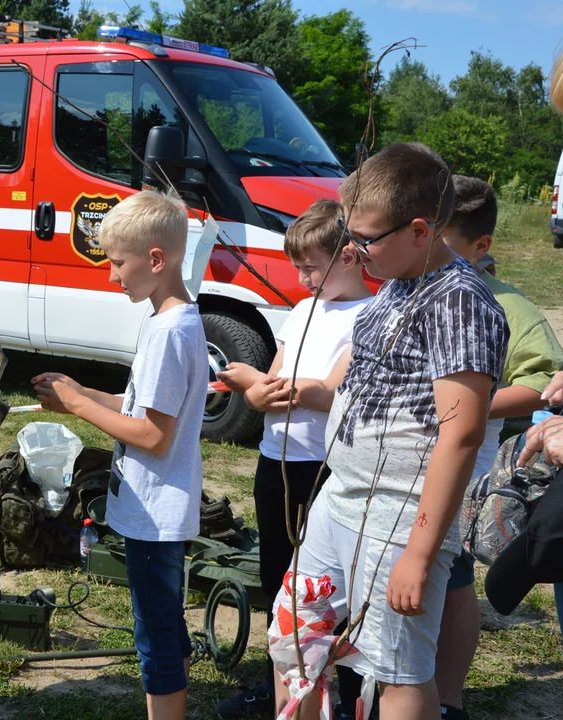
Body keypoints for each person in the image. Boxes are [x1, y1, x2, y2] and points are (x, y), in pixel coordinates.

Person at [277, 142, 508, 720]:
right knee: (297, 641)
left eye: (366, 237)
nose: (352, 249)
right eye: (346, 232)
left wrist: (420, 554)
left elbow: (460, 434)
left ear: (420, 230)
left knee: (397, 670)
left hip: (398, 515)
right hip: (343, 500)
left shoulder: (458, 302)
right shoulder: (395, 285)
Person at [32, 190, 210, 720]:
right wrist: (82, 392)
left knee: (153, 634)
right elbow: (139, 407)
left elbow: (152, 436)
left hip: (155, 517)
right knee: (163, 621)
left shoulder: (169, 334)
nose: (112, 276)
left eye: (117, 262)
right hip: (151, 511)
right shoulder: (169, 321)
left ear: (156, 259)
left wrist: (78, 409)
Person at [213, 198, 373, 719]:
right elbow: (269, 389)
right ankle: (279, 684)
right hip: (273, 459)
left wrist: (264, 384)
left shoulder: (367, 316)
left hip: (324, 467)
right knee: (276, 575)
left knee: (328, 586)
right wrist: (257, 389)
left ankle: (341, 692)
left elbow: (332, 392)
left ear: (348, 255)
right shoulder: (302, 310)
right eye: (297, 266)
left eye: (310, 265)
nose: (302, 277)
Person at [434, 175, 563, 719]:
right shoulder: (416, 290)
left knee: (455, 574)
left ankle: (447, 696)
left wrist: (469, 404)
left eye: (439, 241)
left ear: (479, 246)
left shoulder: (509, 306)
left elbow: (541, 383)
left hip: (464, 465)